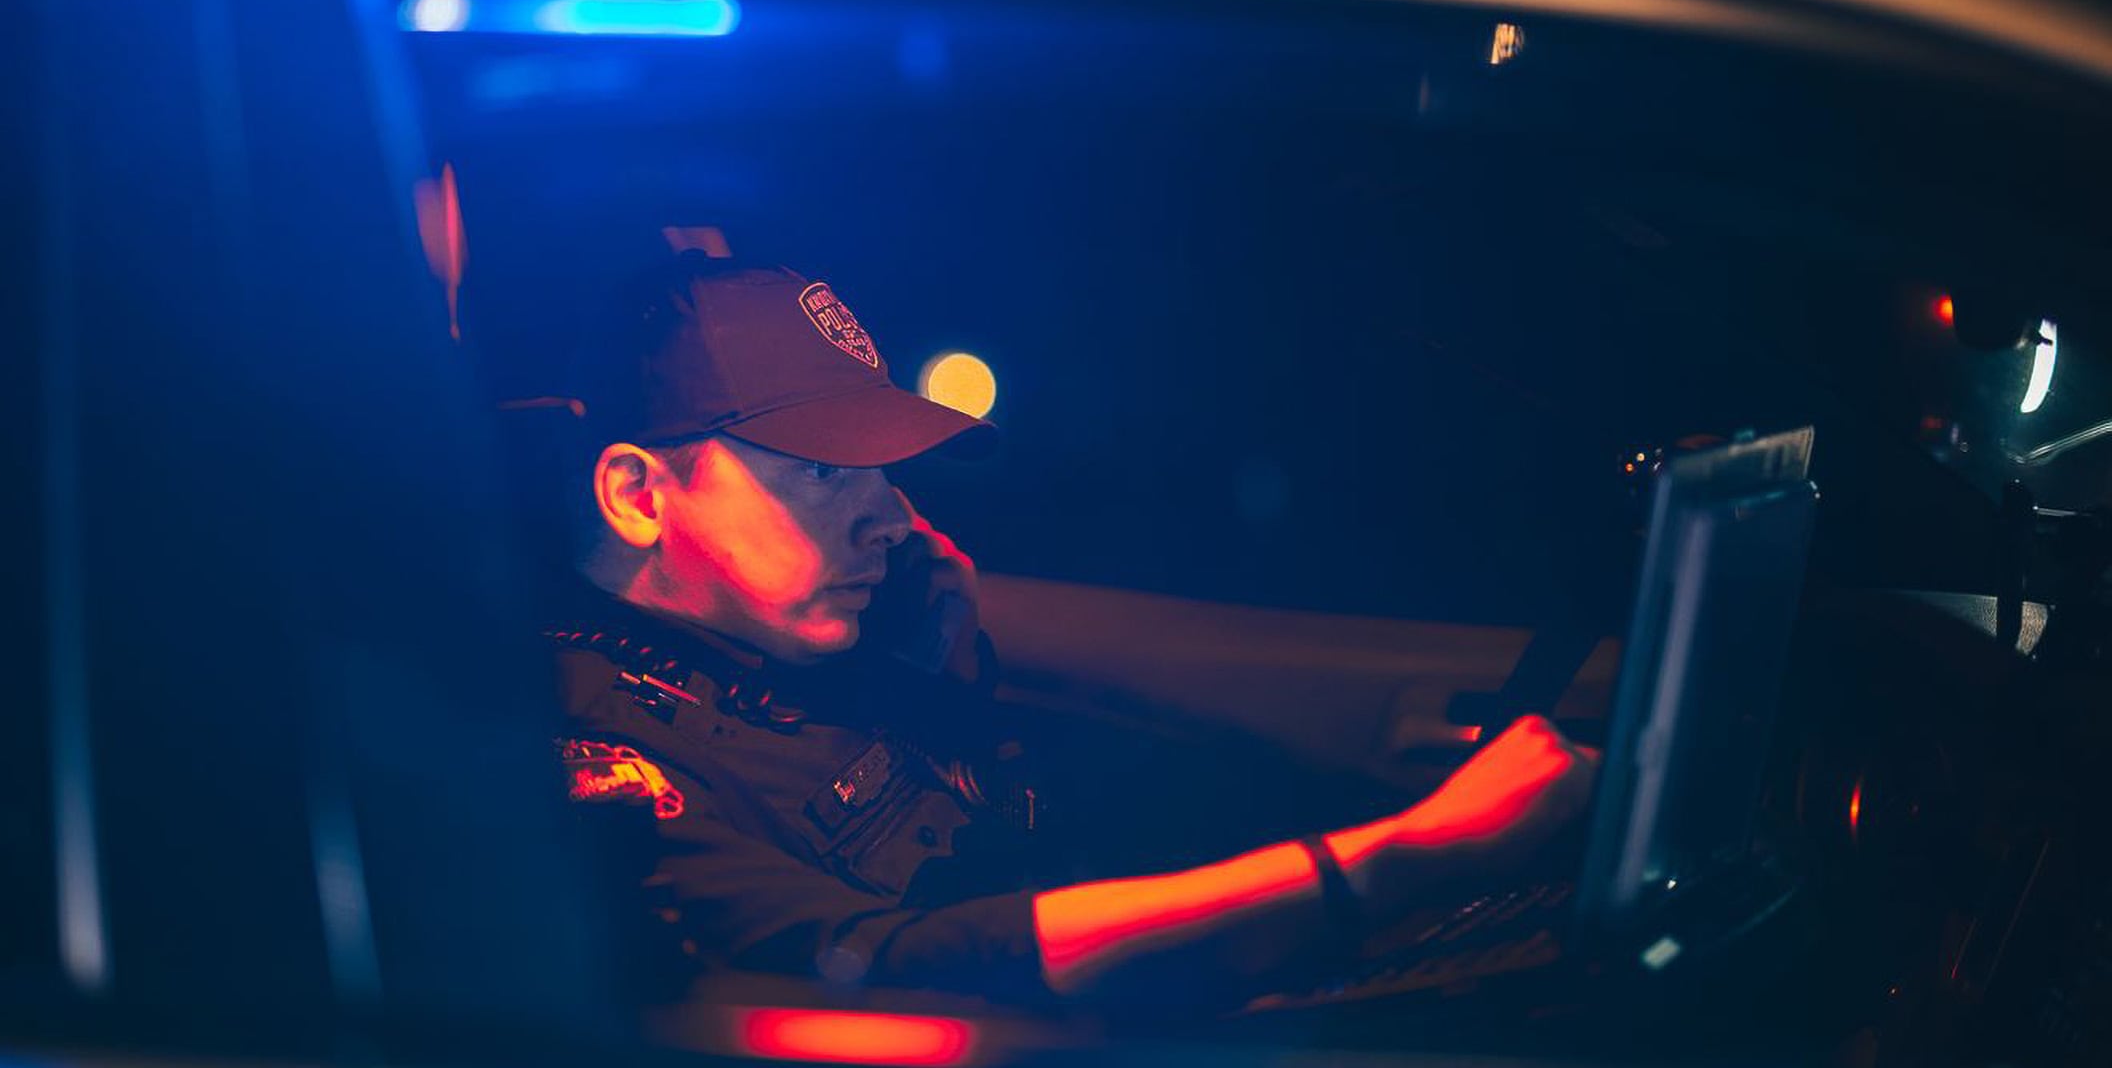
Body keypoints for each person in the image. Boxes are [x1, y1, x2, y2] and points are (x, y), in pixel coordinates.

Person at [540, 252, 1597, 1011]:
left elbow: (1032, 840)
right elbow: (879, 969)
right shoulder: (581, 758)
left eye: (882, 473)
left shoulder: (814, 649)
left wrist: (942, 685)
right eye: (823, 473)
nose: (890, 517)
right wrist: (1392, 861)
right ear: (639, 494)